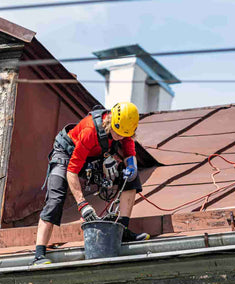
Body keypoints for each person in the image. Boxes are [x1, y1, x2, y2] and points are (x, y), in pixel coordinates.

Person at [32, 102, 149, 265]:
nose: (120, 137)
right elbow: (72, 171)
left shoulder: (125, 128)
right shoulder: (90, 131)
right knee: (55, 199)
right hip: (66, 155)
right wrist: (82, 205)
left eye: (124, 135)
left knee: (131, 179)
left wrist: (131, 166)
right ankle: (39, 254)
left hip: (90, 159)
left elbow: (130, 153)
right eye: (118, 133)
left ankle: (123, 229)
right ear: (111, 122)